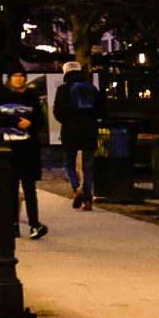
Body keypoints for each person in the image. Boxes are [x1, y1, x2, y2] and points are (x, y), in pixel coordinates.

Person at [2, 71, 47, 238]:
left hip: (29, 148)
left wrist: (31, 123)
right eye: (15, 76)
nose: (19, 78)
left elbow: (40, 121)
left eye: (21, 76)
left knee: (30, 189)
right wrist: (16, 122)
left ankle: (34, 223)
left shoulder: (32, 98)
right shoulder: (4, 97)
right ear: (10, 79)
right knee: (11, 188)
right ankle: (13, 224)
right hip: (11, 148)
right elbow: (0, 117)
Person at [55, 63, 104, 209]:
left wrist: (68, 121)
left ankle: (77, 189)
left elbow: (58, 111)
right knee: (88, 166)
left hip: (70, 131)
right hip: (89, 130)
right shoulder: (92, 89)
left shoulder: (63, 89)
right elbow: (101, 110)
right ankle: (87, 198)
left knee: (68, 163)